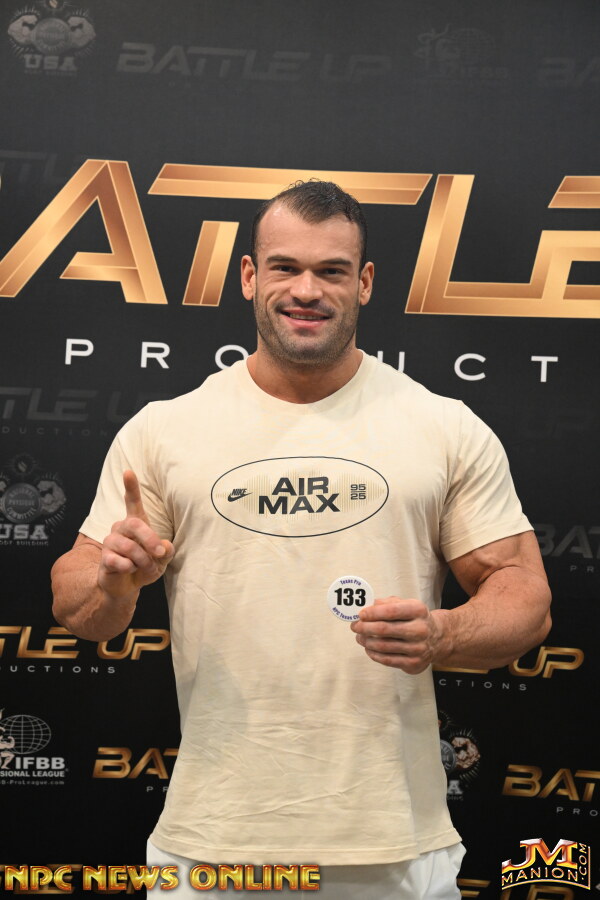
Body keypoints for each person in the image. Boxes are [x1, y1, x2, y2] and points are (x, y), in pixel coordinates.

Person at [51, 180, 551, 899]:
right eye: (284, 267)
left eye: (331, 270)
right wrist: (112, 582)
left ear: (364, 282)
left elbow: (525, 598)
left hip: (393, 846)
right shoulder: (165, 429)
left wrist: (444, 633)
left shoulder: (443, 426)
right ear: (249, 276)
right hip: (213, 844)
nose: (307, 290)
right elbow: (78, 607)